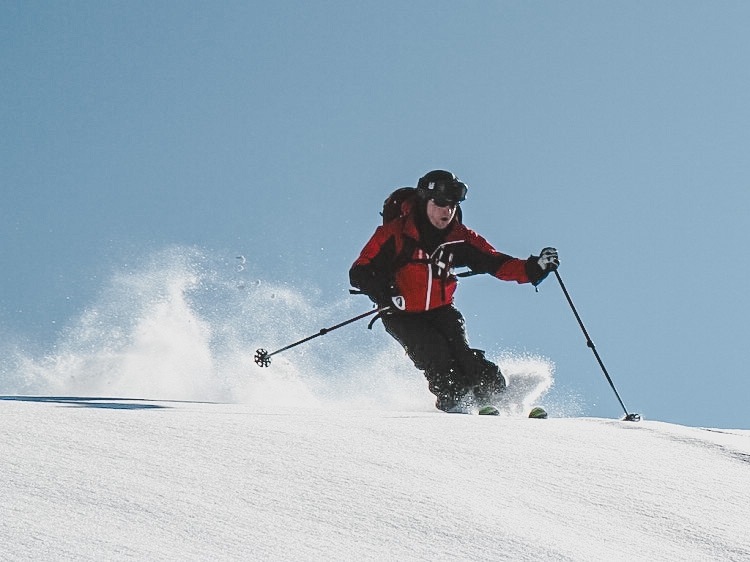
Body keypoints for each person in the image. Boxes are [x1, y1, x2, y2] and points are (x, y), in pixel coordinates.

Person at [349, 170, 559, 413]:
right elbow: (359, 271)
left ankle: (505, 401)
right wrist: (387, 294)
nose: (446, 211)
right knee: (436, 356)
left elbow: (496, 262)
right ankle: (457, 407)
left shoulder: (458, 237)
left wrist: (535, 268)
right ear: (425, 201)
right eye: (439, 203)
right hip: (401, 314)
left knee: (465, 357)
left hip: (441, 310)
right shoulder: (394, 233)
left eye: (452, 205)